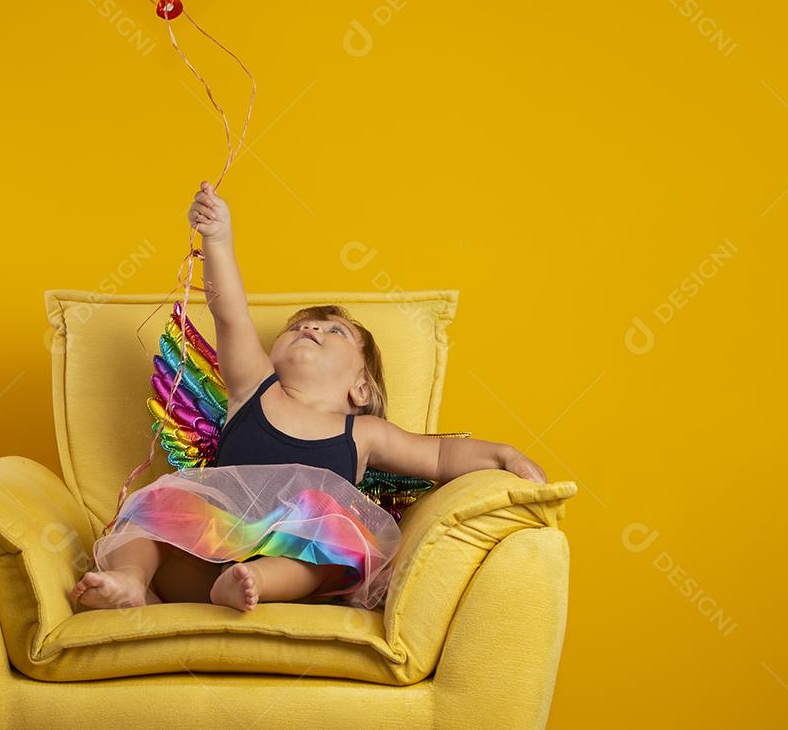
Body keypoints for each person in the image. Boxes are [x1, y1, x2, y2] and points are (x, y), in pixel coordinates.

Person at [70, 181, 547, 613]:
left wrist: (502, 455)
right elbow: (230, 314)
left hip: (289, 562)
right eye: (298, 327)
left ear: (360, 388)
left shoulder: (364, 433)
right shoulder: (254, 388)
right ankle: (129, 581)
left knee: (337, 538)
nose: (311, 328)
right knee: (155, 509)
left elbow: (440, 454)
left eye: (333, 330)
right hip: (205, 546)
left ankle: (253, 581)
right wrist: (217, 239)